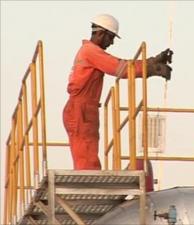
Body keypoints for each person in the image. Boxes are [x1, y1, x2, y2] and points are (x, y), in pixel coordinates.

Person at [63, 14, 172, 173]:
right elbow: (120, 68)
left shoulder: (89, 52)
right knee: (86, 161)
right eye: (111, 37)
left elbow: (123, 65)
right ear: (101, 33)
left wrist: (153, 61)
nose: (112, 42)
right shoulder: (90, 52)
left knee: (88, 156)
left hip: (84, 109)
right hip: (81, 110)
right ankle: (89, 191)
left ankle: (91, 187)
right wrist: (152, 69)